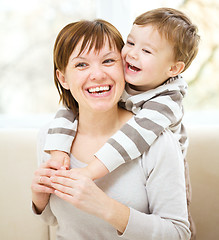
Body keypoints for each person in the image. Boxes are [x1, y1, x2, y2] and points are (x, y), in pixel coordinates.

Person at [44, 8, 200, 238]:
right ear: (62, 77)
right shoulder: (131, 77)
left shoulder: (167, 103)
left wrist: (89, 172)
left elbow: (134, 136)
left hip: (167, 169)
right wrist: (56, 153)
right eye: (130, 43)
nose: (132, 55)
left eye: (146, 50)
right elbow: (71, 107)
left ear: (173, 68)